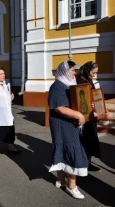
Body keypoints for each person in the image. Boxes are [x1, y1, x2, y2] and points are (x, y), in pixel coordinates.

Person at [48, 60, 88, 199]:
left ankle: (60, 180)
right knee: (71, 148)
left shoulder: (67, 84)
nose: (74, 73)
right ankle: (72, 186)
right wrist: (78, 114)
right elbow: (59, 108)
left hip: (67, 123)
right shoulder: (57, 86)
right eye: (72, 70)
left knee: (63, 148)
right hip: (62, 123)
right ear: (64, 71)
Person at [77, 61, 102, 172]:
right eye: (93, 72)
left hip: (91, 115)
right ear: (87, 70)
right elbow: (80, 98)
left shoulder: (88, 79)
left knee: (91, 140)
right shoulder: (80, 80)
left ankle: (88, 163)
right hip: (85, 115)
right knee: (85, 140)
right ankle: (83, 164)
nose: (94, 75)